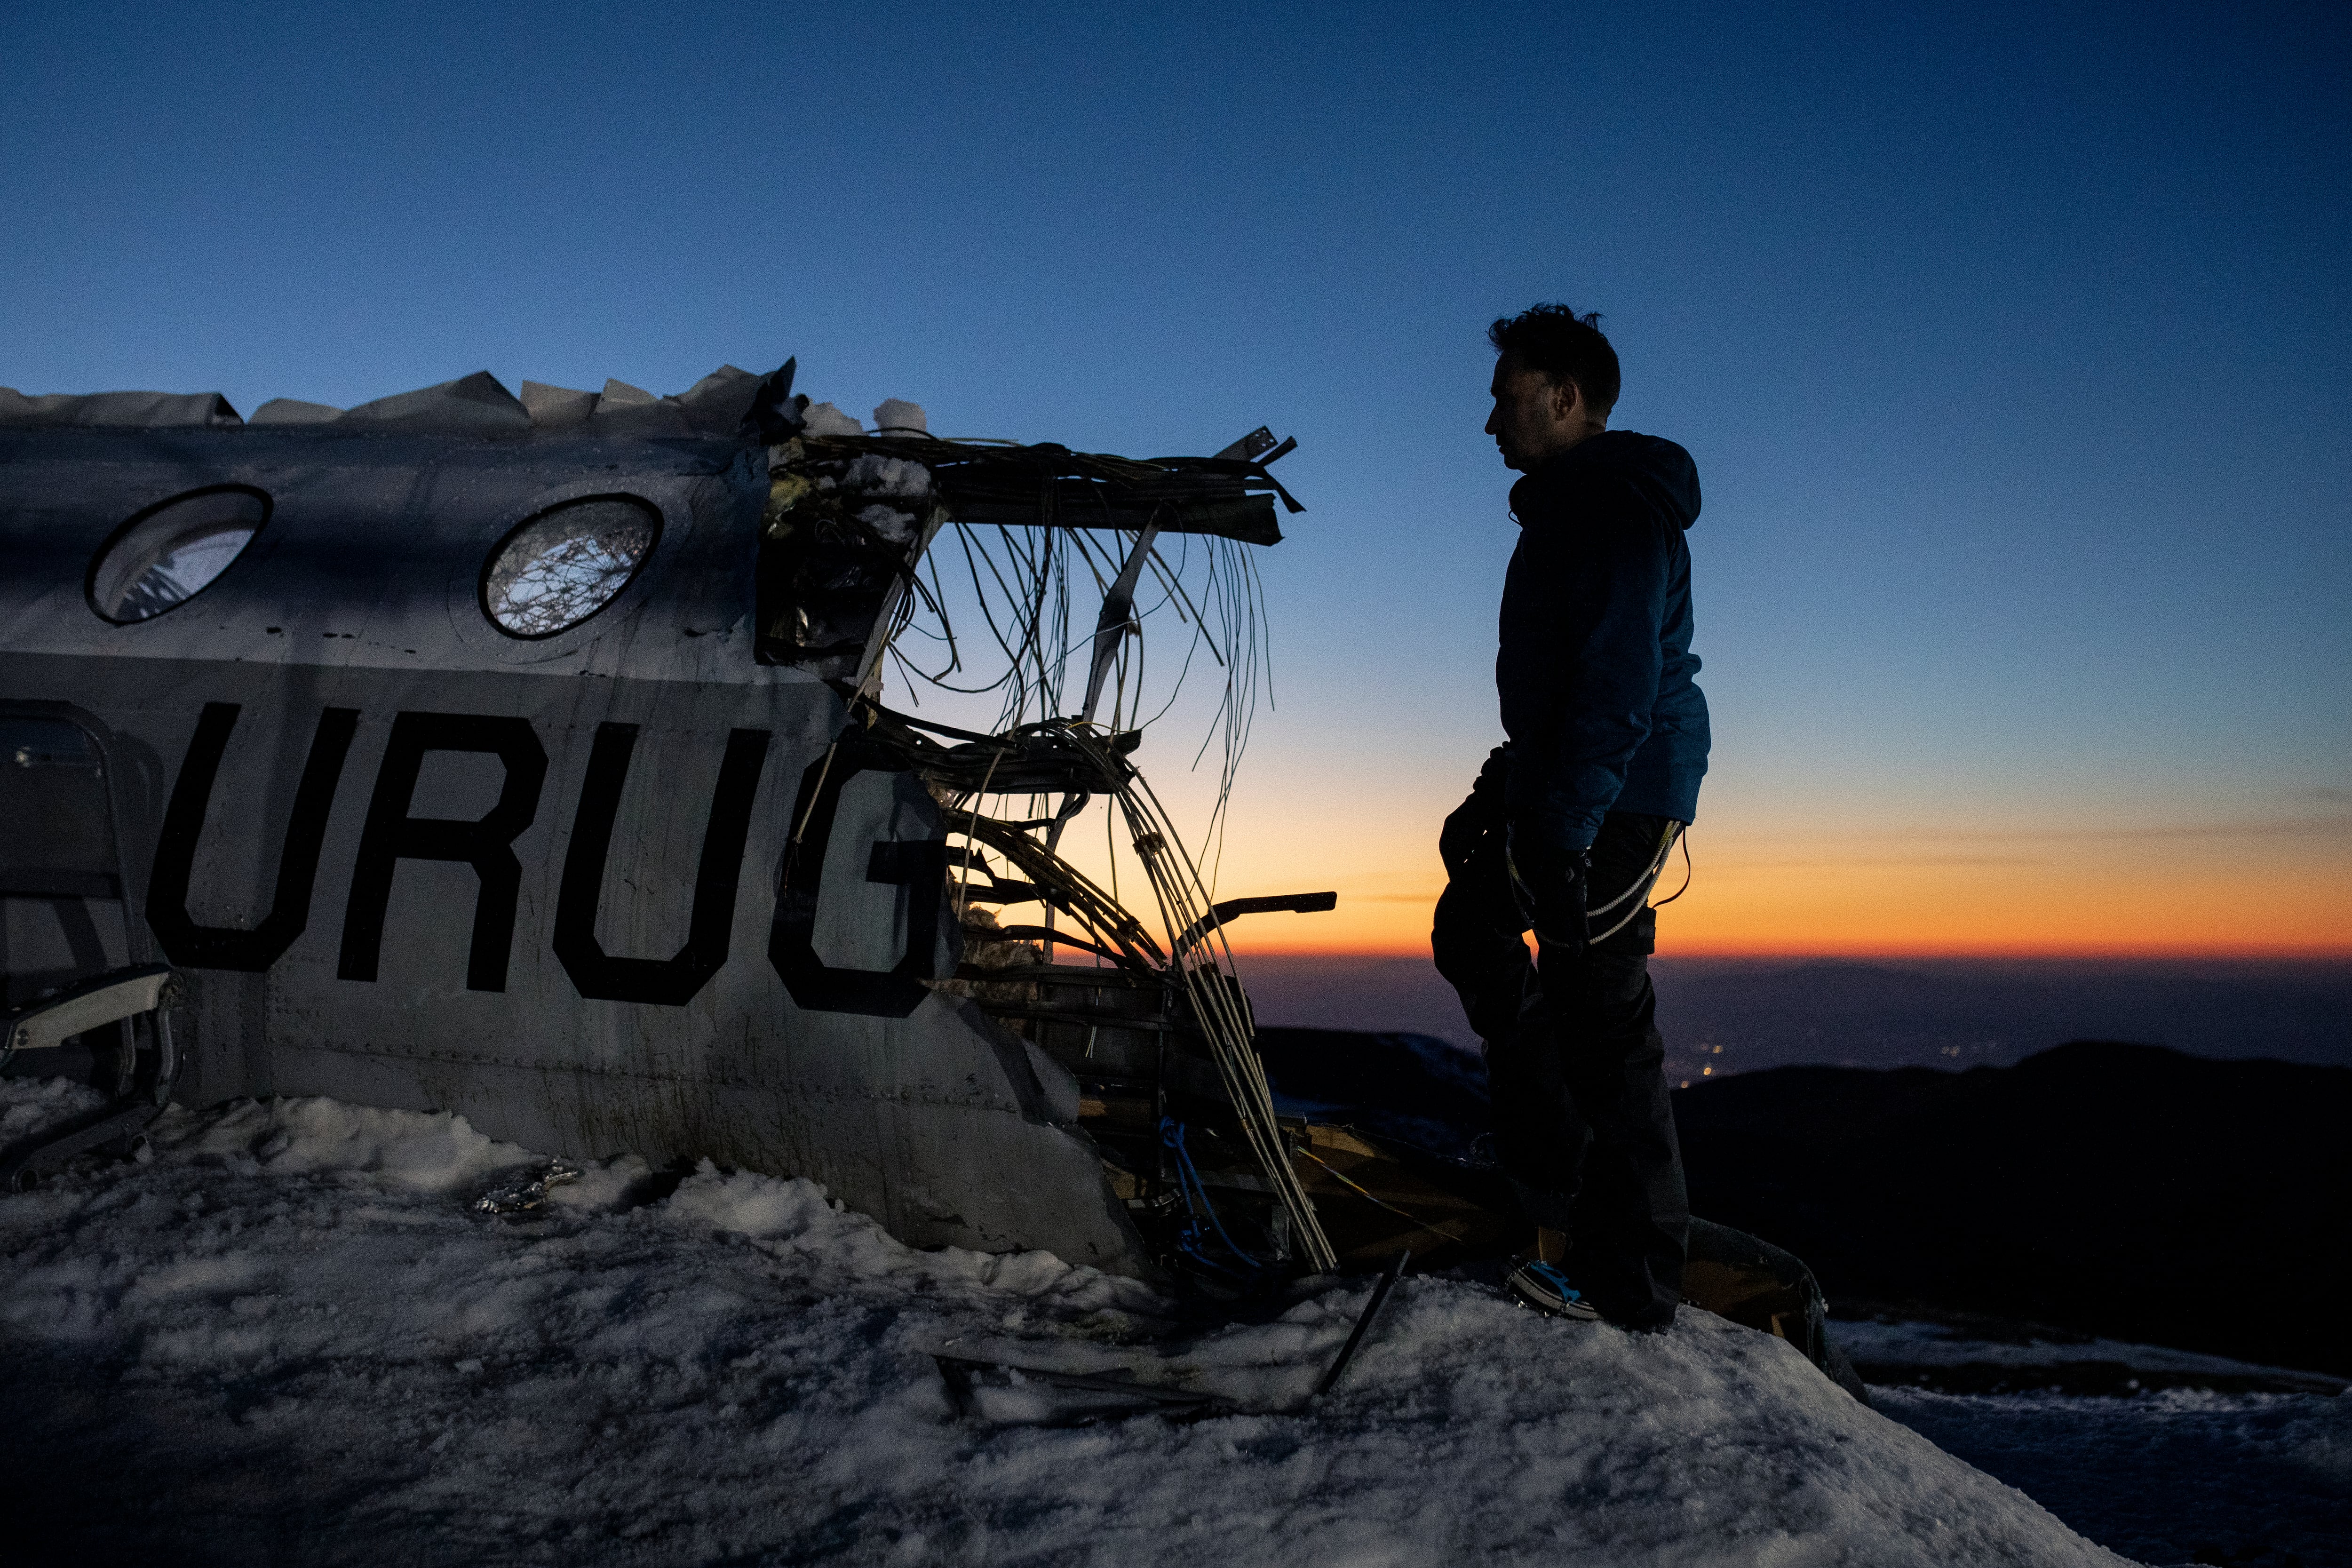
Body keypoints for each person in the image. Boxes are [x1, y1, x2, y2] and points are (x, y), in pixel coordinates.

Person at [1433, 304, 1708, 1330]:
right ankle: (1550, 1175)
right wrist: (1503, 788)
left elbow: (1615, 690)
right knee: (1474, 929)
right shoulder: (1571, 506)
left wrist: (1560, 827)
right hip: (1573, 778)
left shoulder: (1608, 510)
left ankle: (1629, 1282)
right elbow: (1564, 688)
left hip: (1619, 791)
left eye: (1506, 399)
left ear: (1565, 398)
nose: (1490, 422)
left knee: (1600, 1007)